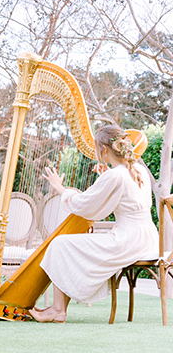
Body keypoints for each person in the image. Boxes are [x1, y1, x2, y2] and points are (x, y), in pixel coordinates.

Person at [29, 124, 159, 323]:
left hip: (127, 241)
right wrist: (104, 176)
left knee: (59, 244)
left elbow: (84, 204)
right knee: (68, 247)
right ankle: (59, 310)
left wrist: (60, 188)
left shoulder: (115, 175)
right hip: (147, 238)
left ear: (104, 149)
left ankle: (57, 309)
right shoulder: (138, 170)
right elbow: (121, 196)